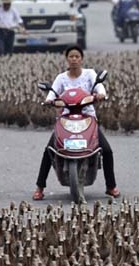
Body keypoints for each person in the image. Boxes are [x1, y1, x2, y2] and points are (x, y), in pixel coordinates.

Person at [32, 46, 120, 200]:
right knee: (49, 150)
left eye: (77, 56)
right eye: (71, 56)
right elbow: (52, 93)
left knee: (106, 150)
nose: (74, 59)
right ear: (67, 59)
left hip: (87, 117)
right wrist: (49, 100)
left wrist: (101, 95)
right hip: (66, 118)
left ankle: (111, 186)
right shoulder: (61, 78)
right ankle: (40, 187)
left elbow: (100, 87)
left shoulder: (90, 74)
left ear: (81, 59)